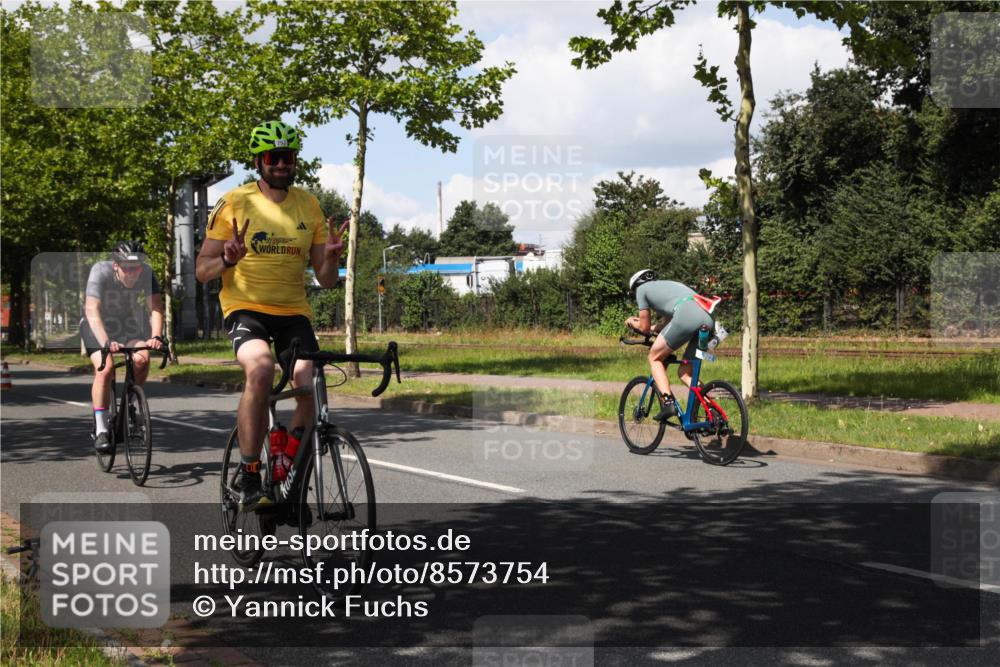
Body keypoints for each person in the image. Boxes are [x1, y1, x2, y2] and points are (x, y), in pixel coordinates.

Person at [196, 120, 347, 512]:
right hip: (246, 308)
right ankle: (249, 473)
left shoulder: (308, 204)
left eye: (289, 157)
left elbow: (326, 281)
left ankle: (289, 468)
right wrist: (227, 258)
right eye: (274, 157)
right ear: (260, 162)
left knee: (309, 383)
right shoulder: (235, 202)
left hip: (293, 312)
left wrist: (331, 258)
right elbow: (201, 270)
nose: (282, 164)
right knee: (260, 369)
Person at [81, 241, 165, 453]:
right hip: (96, 325)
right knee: (106, 368)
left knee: (142, 359)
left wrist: (156, 336)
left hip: (126, 324)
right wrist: (106, 343)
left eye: (135, 268)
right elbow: (92, 309)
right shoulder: (100, 271)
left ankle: (130, 402)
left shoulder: (146, 272)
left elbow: (155, 307)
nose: (131, 273)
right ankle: (100, 430)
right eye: (126, 268)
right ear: (115, 266)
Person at [625, 269, 720, 422]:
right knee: (685, 373)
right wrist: (653, 328)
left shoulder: (641, 290)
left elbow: (644, 327)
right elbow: (665, 326)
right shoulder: (670, 287)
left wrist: (632, 322)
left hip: (686, 315)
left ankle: (668, 403)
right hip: (707, 319)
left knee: (654, 358)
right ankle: (712, 411)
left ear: (636, 285)